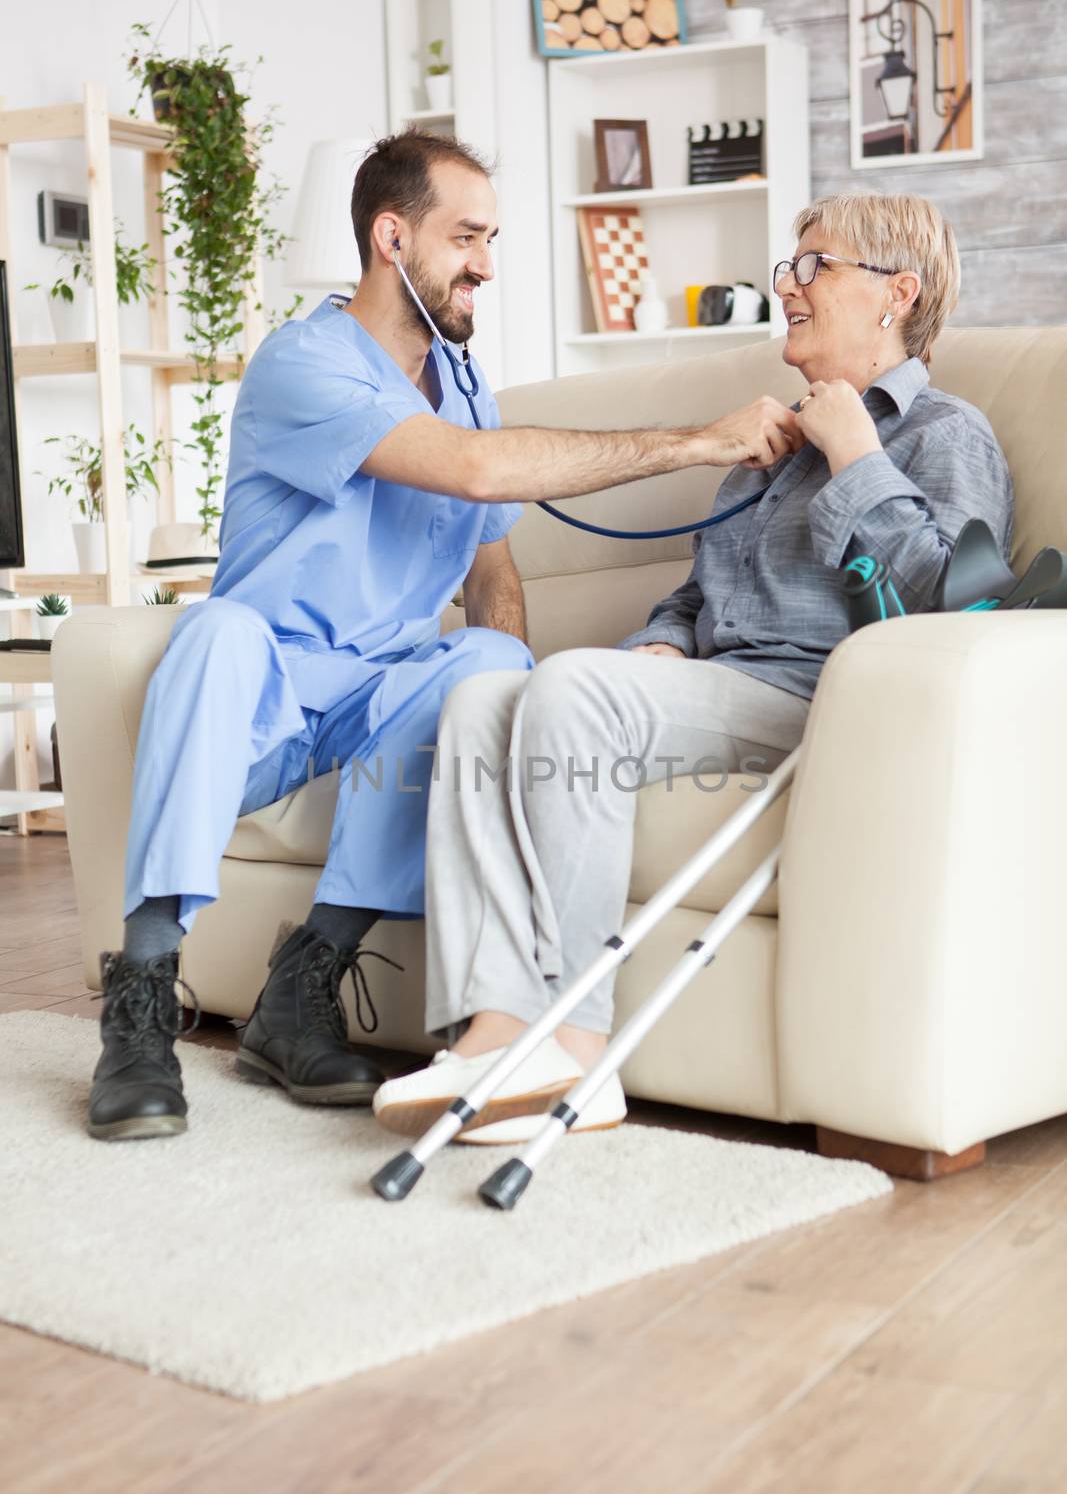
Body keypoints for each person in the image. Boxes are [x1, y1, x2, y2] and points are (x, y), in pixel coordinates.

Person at [90, 128, 805, 1141]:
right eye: (464, 237)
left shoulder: (464, 387)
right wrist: (693, 441)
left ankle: (299, 994)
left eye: (491, 238)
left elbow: (490, 574)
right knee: (215, 634)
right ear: (391, 237)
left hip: (375, 708)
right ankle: (142, 1003)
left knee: (488, 661)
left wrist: (508, 711)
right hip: (266, 696)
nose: (484, 264)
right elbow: (476, 473)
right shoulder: (304, 363)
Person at [372, 190, 1015, 1146]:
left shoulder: (944, 433)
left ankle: (579, 1051)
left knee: (572, 687)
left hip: (820, 699)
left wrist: (858, 457)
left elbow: (949, 605)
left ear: (897, 293)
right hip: (717, 684)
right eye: (786, 267)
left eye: (814, 266)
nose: (787, 287)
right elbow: (698, 589)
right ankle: (497, 1027)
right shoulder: (770, 445)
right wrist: (661, 644)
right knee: (478, 700)